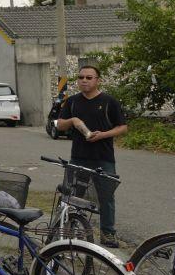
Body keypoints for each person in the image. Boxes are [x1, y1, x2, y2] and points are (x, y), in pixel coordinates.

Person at [54, 64, 128, 247]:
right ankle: (68, 230)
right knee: (72, 195)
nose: (84, 80)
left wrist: (103, 135)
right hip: (78, 157)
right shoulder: (72, 102)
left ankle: (108, 234)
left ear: (98, 80)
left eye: (89, 77)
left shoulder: (109, 101)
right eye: (81, 77)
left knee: (106, 197)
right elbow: (59, 125)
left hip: (104, 158)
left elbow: (123, 127)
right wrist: (72, 120)